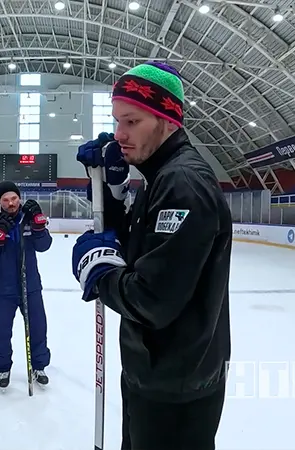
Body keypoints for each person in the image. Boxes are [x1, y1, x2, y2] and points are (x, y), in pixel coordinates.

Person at [71, 61, 232, 450]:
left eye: (132, 122)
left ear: (166, 119)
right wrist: (111, 194)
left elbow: (152, 298)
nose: (119, 134)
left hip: (176, 385)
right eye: (117, 121)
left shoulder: (183, 184)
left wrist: (100, 273)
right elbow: (139, 250)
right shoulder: (160, 176)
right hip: (156, 372)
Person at [0, 181, 52, 390]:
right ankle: (3, 368)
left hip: (31, 286)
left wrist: (38, 227)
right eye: (5, 200)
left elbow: (44, 246)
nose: (11, 203)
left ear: (19, 198)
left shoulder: (28, 221)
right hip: (4, 289)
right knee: (2, 330)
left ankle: (39, 366)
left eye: (14, 198)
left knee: (38, 327)